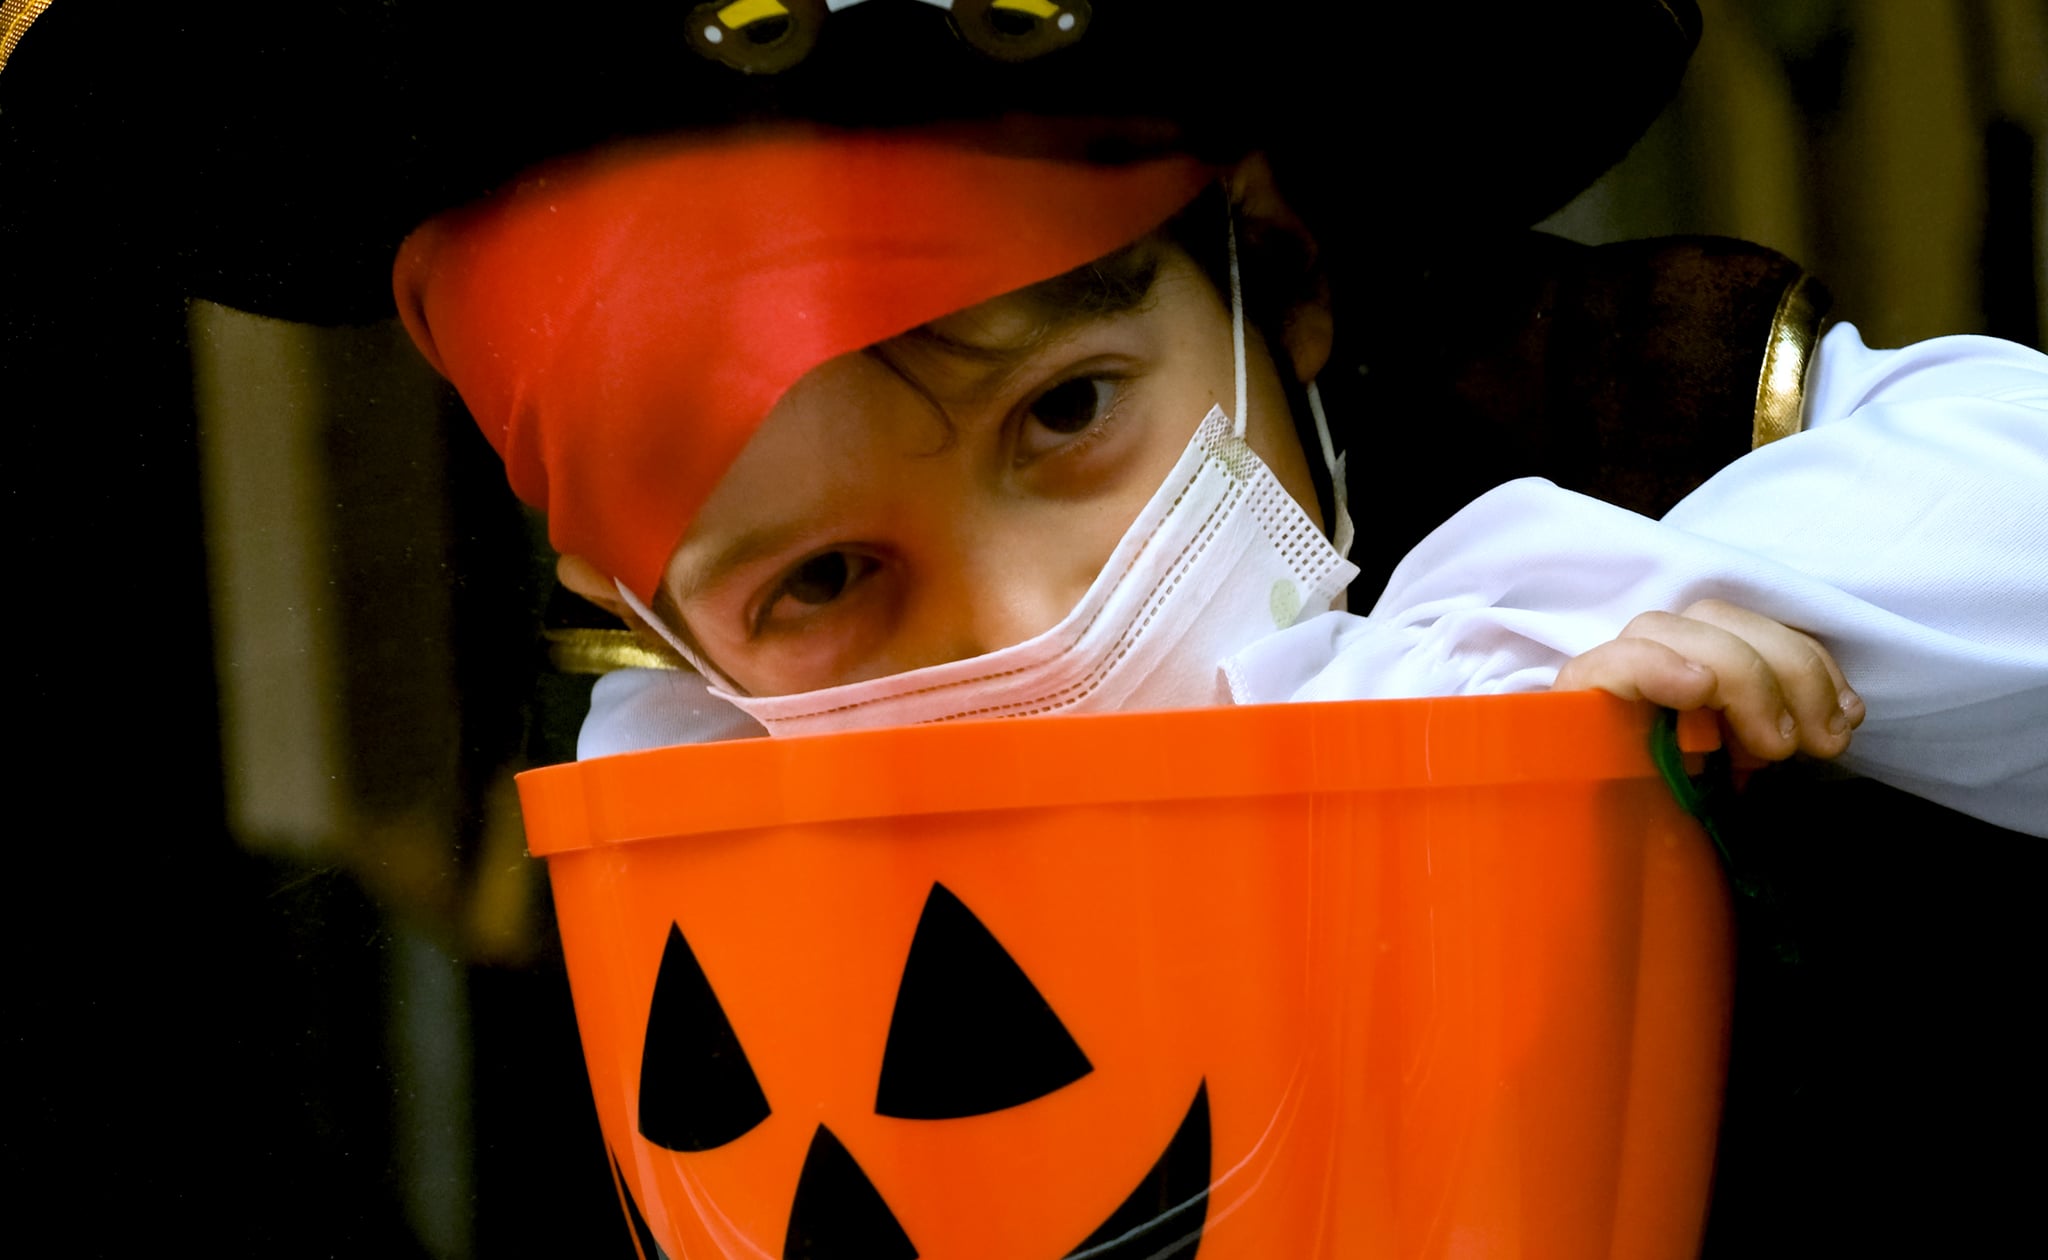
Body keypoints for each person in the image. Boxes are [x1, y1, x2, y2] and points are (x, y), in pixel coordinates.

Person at [392, 126, 2045, 839]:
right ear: (659, 634)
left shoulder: (1615, 400)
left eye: (1067, 417)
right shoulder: (692, 792)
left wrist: (1559, 665)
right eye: (821, 583)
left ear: (1276, 272)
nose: (1045, 623)